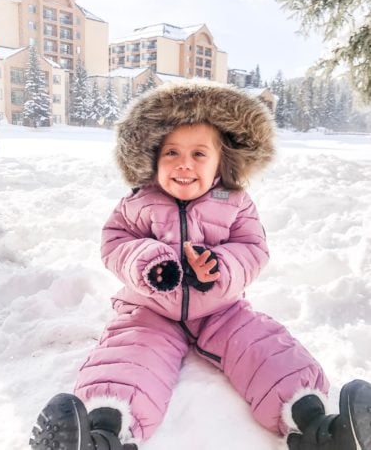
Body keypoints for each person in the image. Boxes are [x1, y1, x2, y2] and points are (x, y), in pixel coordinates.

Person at [29, 80, 371, 450]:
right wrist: (149, 263)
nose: (184, 164)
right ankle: (102, 433)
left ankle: (318, 426)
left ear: (221, 163)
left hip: (222, 309)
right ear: (152, 158)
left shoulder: (235, 202)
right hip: (150, 309)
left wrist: (219, 269)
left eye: (199, 154)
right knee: (130, 357)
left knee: (264, 348)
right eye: (171, 152)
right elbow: (116, 243)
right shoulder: (138, 202)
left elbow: (252, 248)